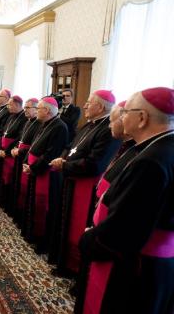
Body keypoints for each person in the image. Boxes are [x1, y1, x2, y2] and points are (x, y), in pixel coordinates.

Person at [79, 87, 174, 314]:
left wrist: (89, 239)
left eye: (125, 112)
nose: (121, 117)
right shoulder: (158, 148)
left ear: (142, 118)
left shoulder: (150, 160)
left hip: (136, 265)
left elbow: (125, 228)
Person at [74, 100, 138, 312]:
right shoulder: (131, 147)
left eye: (115, 119)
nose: (110, 125)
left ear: (142, 119)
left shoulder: (148, 157)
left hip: (111, 233)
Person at [50, 90, 121, 274]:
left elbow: (95, 163)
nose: (85, 105)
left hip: (85, 186)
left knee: (77, 226)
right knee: (65, 222)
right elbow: (71, 147)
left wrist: (65, 165)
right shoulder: (89, 125)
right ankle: (63, 262)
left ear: (101, 106)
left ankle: (75, 269)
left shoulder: (107, 130)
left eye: (89, 102)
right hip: (71, 179)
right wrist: (63, 159)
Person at [22, 97, 68, 254]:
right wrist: (27, 162)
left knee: (46, 209)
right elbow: (33, 147)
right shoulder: (44, 124)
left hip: (46, 175)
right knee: (35, 205)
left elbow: (51, 153)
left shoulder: (60, 127)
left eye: (39, 108)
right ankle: (34, 235)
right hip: (35, 169)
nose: (36, 111)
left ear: (47, 110)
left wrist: (33, 168)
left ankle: (43, 242)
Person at [10, 98, 42, 227]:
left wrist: (20, 152)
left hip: (28, 160)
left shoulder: (39, 124)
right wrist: (14, 149)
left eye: (28, 108)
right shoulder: (28, 122)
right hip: (20, 156)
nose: (25, 110)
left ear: (36, 109)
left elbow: (33, 146)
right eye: (25, 107)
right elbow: (21, 139)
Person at [0, 95, 27, 212]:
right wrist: (0, 148)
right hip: (4, 151)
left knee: (11, 179)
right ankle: (3, 201)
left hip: (11, 154)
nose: (8, 107)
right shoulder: (11, 116)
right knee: (3, 178)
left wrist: (6, 151)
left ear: (17, 105)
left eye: (10, 104)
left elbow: (18, 138)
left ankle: (8, 204)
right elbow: (3, 133)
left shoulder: (24, 118)